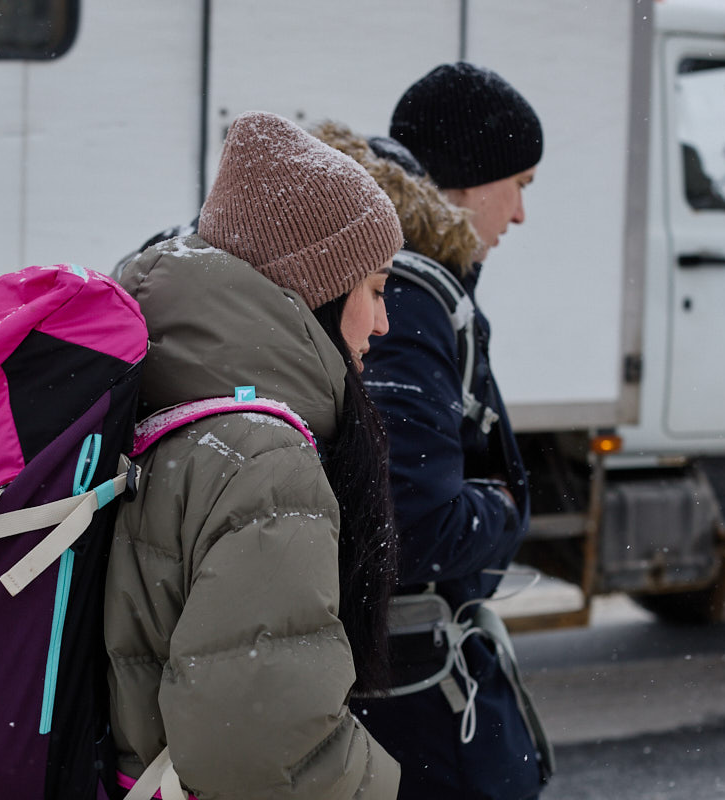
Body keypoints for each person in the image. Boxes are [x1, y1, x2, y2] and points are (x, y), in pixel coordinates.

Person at [105, 110, 404, 799]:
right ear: (319, 287)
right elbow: (263, 746)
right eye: (377, 288)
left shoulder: (159, 395)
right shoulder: (264, 465)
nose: (384, 323)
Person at [314, 62, 550, 799]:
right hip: (405, 682)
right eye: (521, 185)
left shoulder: (382, 272)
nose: (518, 215)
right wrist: (504, 508)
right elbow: (409, 525)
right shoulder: (408, 294)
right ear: (472, 181)